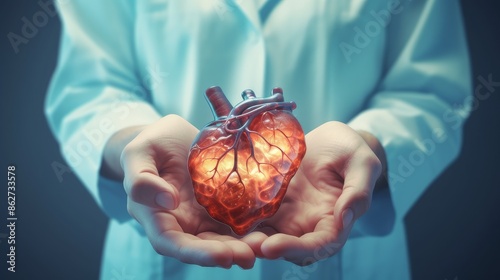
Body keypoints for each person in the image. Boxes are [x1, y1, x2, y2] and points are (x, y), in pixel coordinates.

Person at [45, 0, 471, 279]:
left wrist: (368, 147)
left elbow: (429, 91)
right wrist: (134, 147)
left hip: (344, 252)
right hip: (162, 245)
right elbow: (91, 87)